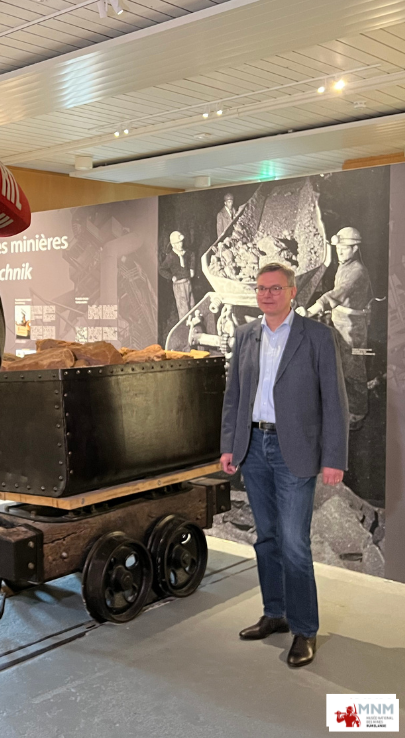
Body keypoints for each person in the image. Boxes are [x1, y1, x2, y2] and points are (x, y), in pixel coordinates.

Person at [219, 262, 348, 669]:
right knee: (267, 539)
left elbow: (335, 401)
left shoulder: (317, 336)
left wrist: (334, 457)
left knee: (294, 544)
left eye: (275, 288)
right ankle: (274, 613)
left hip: (296, 450)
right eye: (261, 288)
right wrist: (229, 446)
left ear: (292, 292)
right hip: (254, 448)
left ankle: (304, 629)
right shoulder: (246, 335)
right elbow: (234, 397)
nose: (267, 295)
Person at [306, 227, 374, 427]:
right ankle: (343, 403)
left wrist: (311, 310)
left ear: (355, 248)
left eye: (345, 248)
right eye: (338, 248)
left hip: (353, 328)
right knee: (341, 365)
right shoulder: (344, 266)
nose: (340, 252)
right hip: (340, 322)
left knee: (354, 367)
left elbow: (337, 294)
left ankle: (358, 412)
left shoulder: (357, 271)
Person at [159, 231, 197, 321]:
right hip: (179, 285)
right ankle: (185, 325)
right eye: (178, 243)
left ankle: (195, 323)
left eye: (181, 242)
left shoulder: (185, 253)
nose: (181, 244)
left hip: (188, 282)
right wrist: (171, 277)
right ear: (173, 245)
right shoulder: (171, 257)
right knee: (183, 308)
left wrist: (192, 268)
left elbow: (192, 255)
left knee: (192, 304)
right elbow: (161, 269)